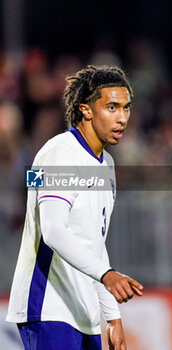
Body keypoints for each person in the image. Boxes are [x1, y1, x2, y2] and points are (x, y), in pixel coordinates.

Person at [6, 65, 143, 350]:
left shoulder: (107, 165)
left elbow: (94, 242)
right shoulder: (60, 153)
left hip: (84, 313)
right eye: (112, 107)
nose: (122, 118)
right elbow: (53, 231)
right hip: (48, 306)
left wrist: (112, 316)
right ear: (86, 109)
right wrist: (107, 275)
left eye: (126, 108)